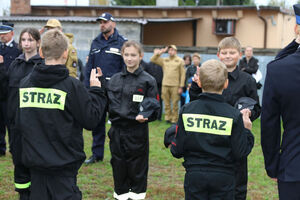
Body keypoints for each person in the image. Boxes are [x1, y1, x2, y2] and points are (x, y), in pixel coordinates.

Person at [16, 29, 107, 200]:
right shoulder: (71, 86)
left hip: (34, 171)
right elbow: (91, 120)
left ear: (41, 51)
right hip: (63, 172)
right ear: (65, 54)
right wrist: (96, 91)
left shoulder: (24, 85)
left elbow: (17, 129)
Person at [170, 59, 254, 200]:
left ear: (200, 83)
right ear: (226, 83)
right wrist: (246, 131)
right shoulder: (233, 115)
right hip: (224, 178)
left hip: (194, 176)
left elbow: (177, 150)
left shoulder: (187, 110)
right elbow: (241, 153)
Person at [189, 37, 261, 200]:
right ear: (218, 55)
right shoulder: (207, 75)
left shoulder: (247, 80)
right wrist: (195, 85)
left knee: (237, 184)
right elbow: (195, 103)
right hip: (210, 138)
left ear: (240, 54)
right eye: (224, 52)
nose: (228, 56)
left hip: (236, 139)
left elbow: (256, 106)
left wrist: (248, 114)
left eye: (232, 52)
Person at [106, 41, 160, 200]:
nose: (129, 59)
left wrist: (147, 116)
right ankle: (120, 196)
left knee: (137, 169)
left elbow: (155, 108)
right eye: (126, 55)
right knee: (118, 166)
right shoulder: (114, 79)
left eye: (133, 55)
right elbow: (107, 104)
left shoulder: (148, 80)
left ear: (141, 56)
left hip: (136, 132)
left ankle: (137, 196)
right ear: (122, 55)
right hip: (116, 131)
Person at [261, 4, 300, 200]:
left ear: (296, 28)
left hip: (293, 166)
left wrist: (272, 165)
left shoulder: (279, 70)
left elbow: (270, 124)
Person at [0, 27, 42, 200]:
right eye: (24, 40)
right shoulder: (15, 64)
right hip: (16, 124)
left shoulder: (41, 66)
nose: (26, 43)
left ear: (38, 43)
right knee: (18, 160)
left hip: (36, 125)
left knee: (36, 162)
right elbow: (5, 93)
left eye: (30, 40)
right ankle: (23, 195)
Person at [84, 12, 127, 164]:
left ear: (113, 24)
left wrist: (123, 89)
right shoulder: (95, 42)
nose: (102, 25)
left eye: (105, 22)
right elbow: (89, 67)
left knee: (117, 125)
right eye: (100, 22)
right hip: (98, 91)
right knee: (97, 124)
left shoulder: (122, 43)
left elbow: (124, 68)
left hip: (115, 92)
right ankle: (97, 155)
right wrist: (87, 86)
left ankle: (118, 155)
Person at [0, 21, 22, 157]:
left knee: (12, 123)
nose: (2, 36)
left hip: (11, 92)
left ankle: (14, 147)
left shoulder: (18, 50)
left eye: (4, 34)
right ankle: (1, 148)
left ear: (12, 33)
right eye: (0, 34)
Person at [150, 45, 185, 124]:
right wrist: (161, 52)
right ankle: (167, 118)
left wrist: (181, 86)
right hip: (165, 84)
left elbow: (183, 74)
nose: (171, 51)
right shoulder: (164, 60)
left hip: (175, 85)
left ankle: (174, 119)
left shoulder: (180, 61)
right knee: (166, 103)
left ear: (175, 51)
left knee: (175, 103)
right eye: (169, 50)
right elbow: (152, 59)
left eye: (173, 50)